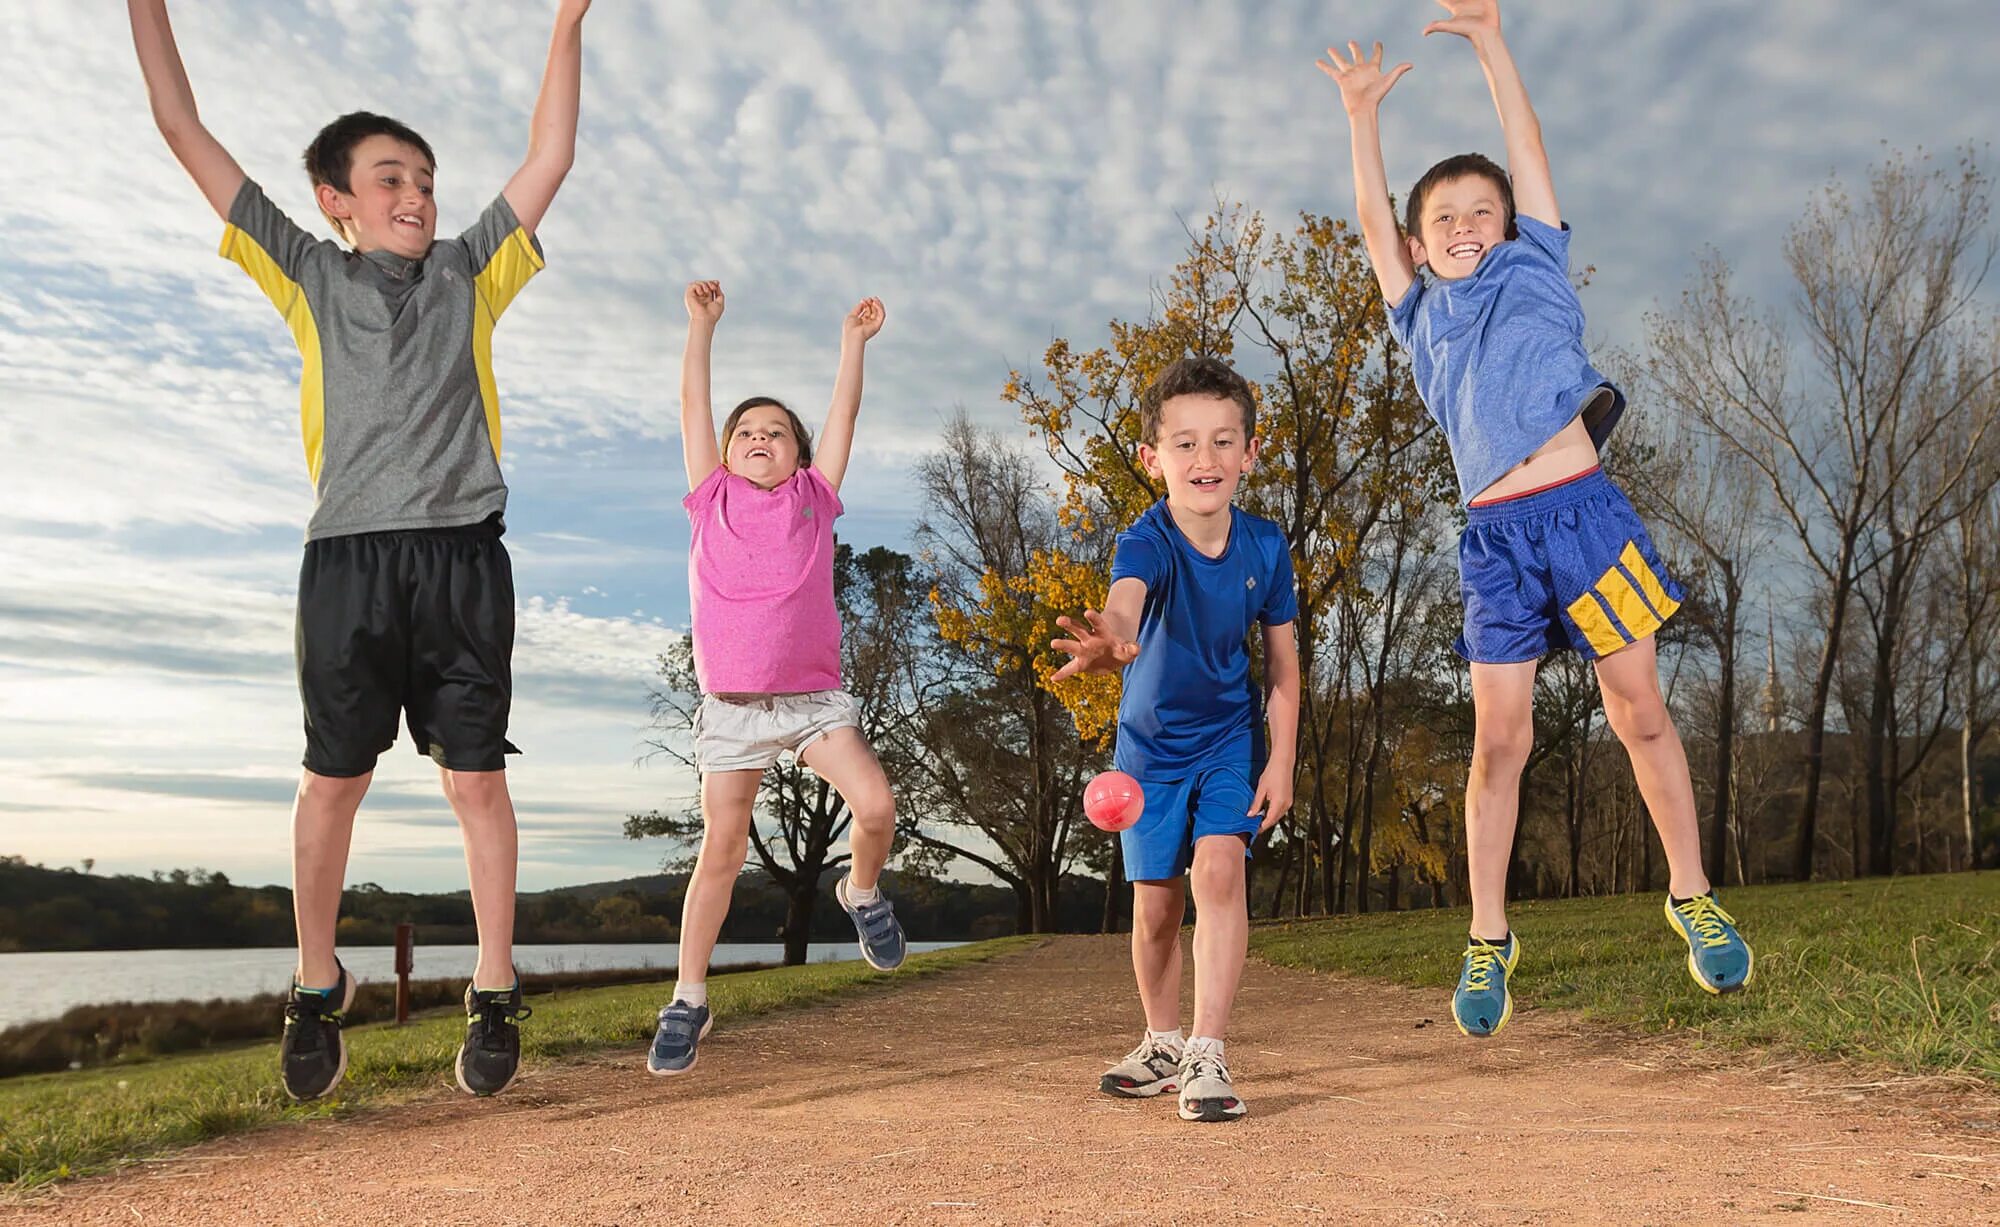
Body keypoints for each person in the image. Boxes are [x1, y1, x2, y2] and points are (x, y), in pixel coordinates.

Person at [127, 0, 591, 1098]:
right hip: (346, 560)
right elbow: (181, 127)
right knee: (332, 781)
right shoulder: (306, 271)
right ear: (336, 201)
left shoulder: (472, 270)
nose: (416, 196)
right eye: (389, 179)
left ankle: (490, 987)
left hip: (464, 560)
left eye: (424, 179)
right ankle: (312, 982)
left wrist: (566, 20)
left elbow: (553, 150)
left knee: (475, 781)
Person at [1317, 0, 1752, 1038]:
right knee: (1497, 743)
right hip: (1494, 544)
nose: (1464, 225)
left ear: (1508, 225)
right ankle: (1485, 935)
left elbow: (1526, 146)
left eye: (1480, 210)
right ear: (1421, 249)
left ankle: (1690, 894)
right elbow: (1372, 223)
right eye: (1444, 219)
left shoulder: (1534, 265)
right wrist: (1360, 115)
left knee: (1637, 709)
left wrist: (1488, 44)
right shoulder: (1419, 314)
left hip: (1582, 515)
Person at [648, 281, 905, 1076]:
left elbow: (845, 418)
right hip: (730, 711)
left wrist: (852, 345)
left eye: (777, 432)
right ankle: (689, 997)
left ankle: (860, 892)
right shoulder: (709, 497)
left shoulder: (813, 500)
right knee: (720, 849)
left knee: (878, 804)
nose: (761, 437)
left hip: (812, 702)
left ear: (798, 453)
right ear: (725, 452)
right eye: (747, 431)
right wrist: (700, 326)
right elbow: (694, 402)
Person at [1052, 356, 1300, 1122]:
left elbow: (1284, 671)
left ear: (1250, 453)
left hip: (1228, 740)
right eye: (1186, 444)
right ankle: (1160, 1041)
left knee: (1219, 872)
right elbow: (1124, 602)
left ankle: (1206, 1050)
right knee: (1156, 907)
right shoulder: (1147, 538)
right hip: (1149, 752)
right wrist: (1110, 638)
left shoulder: (1265, 546)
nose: (1206, 459)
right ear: (1153, 458)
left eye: (1224, 441)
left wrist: (1281, 762)